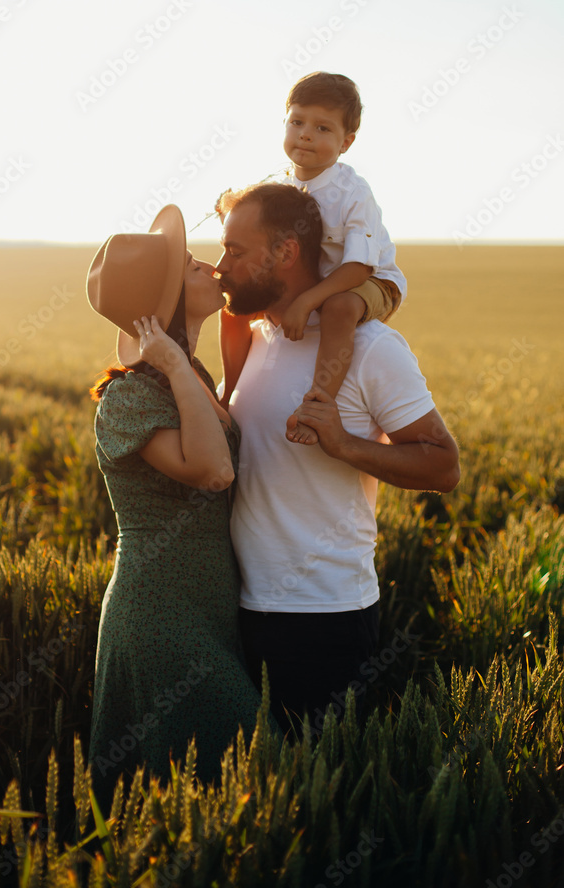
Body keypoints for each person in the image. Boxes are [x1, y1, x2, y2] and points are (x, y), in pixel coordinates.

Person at [215, 182, 460, 735]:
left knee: (313, 790)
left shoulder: (372, 349)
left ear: (285, 252)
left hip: (322, 616)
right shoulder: (255, 339)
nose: (220, 265)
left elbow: (444, 466)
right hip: (239, 608)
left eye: (235, 250)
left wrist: (345, 444)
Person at [85, 205, 264, 809]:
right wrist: (166, 361)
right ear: (163, 300)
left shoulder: (189, 375)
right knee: (250, 766)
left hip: (208, 603)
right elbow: (213, 471)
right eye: (192, 265)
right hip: (158, 612)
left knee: (211, 795)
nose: (212, 265)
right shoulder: (130, 396)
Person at [219, 71, 406, 447]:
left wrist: (307, 300)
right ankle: (228, 396)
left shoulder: (353, 191)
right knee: (234, 307)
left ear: (346, 142)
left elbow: (358, 266)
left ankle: (318, 405)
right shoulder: (284, 187)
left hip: (368, 281)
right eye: (297, 122)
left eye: (323, 128)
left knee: (337, 308)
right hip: (318, 282)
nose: (305, 134)